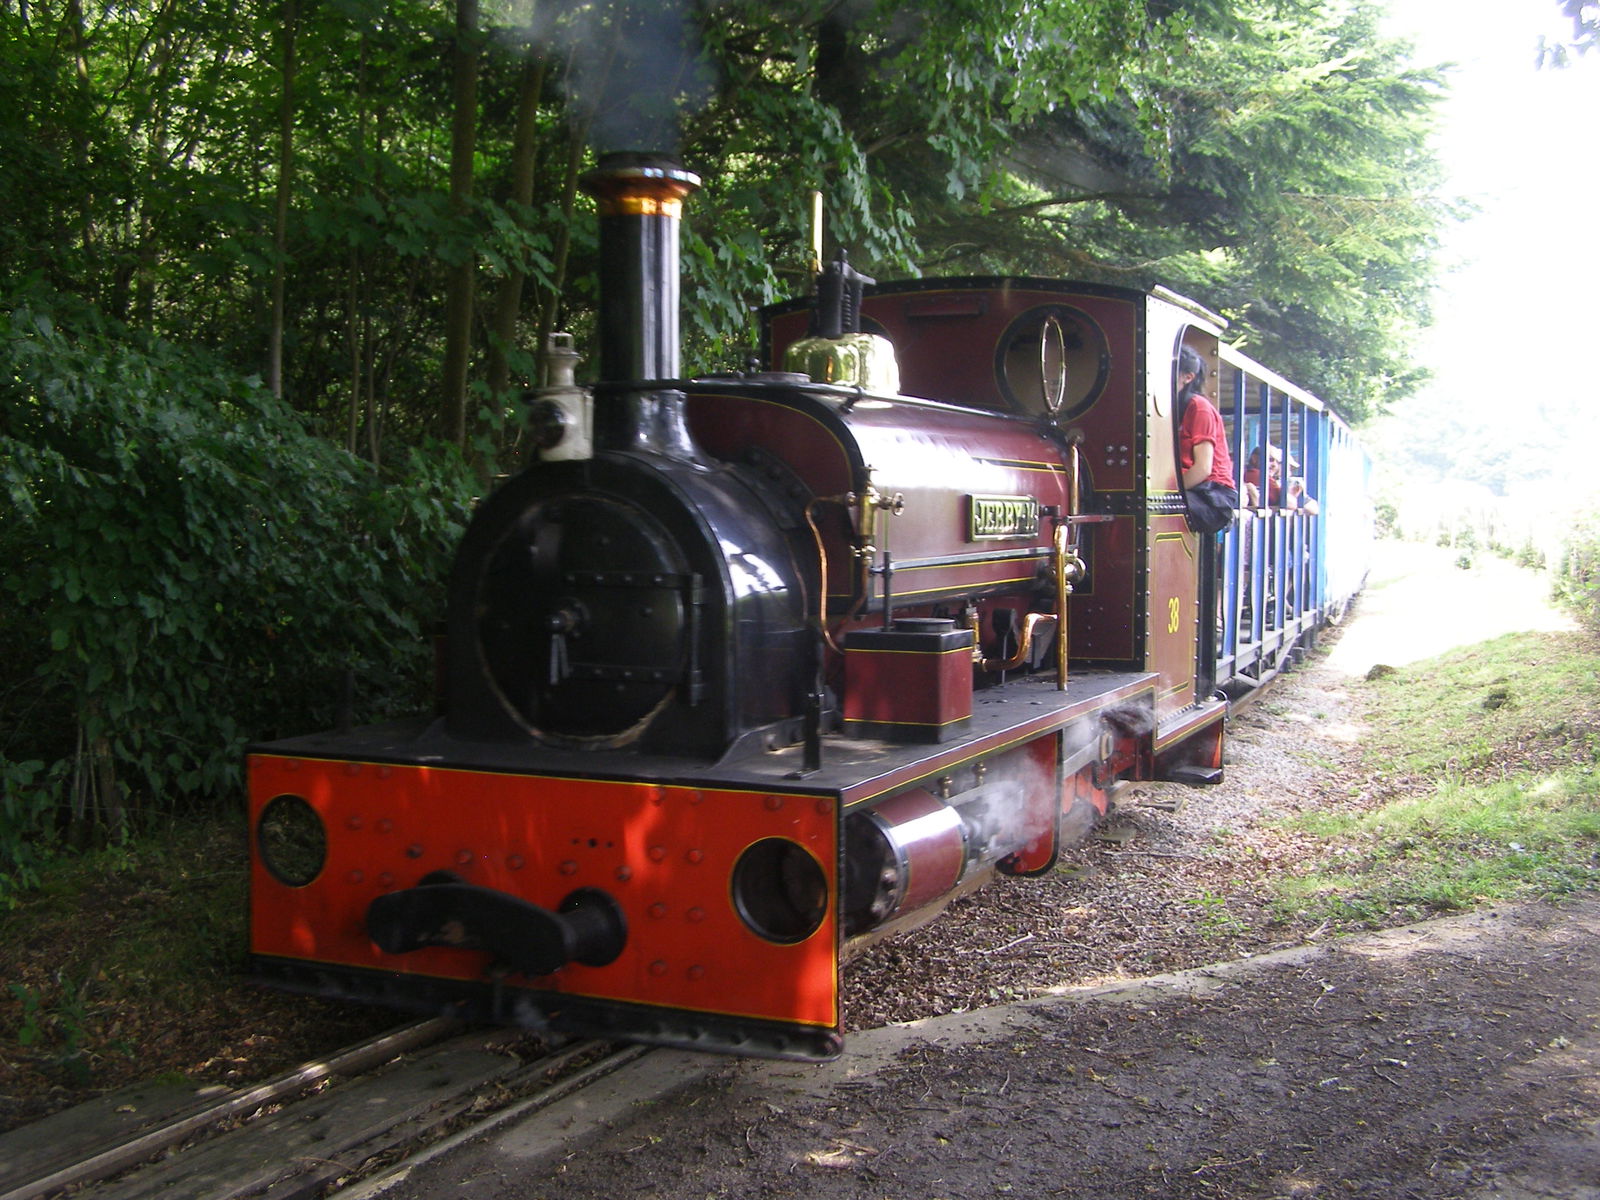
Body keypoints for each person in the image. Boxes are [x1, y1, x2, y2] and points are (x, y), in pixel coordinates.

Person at [1176, 345, 1238, 533]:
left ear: (1188, 377)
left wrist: (1169, 492)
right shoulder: (1171, 409)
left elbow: (1203, 468)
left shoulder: (1199, 407)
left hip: (1213, 496)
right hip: (1196, 491)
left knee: (1159, 507)